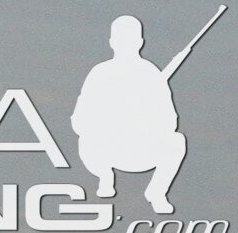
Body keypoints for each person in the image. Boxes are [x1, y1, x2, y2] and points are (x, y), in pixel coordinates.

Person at [72, 15, 190, 214]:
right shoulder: (100, 73)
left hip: (143, 149)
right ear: (112, 42)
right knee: (85, 140)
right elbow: (80, 119)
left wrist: (143, 121)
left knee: (177, 141)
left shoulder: (151, 74)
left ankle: (157, 192)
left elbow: (170, 121)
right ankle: (105, 177)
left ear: (140, 43)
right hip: (106, 150)